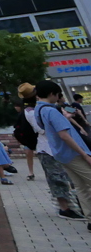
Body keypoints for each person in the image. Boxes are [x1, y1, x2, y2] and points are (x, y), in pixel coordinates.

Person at [19, 83, 83, 219]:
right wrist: (61, 120)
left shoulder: (41, 108)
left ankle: (74, 207)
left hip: (54, 147)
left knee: (67, 178)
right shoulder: (33, 111)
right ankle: (65, 209)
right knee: (57, 179)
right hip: (47, 148)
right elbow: (42, 129)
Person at [34, 80, 91, 230]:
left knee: (81, 186)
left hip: (60, 153)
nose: (59, 97)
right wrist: (84, 155)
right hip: (73, 153)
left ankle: (90, 218)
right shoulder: (51, 110)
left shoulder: (38, 110)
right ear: (52, 94)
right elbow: (64, 135)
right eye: (58, 94)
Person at [12, 99, 37, 180]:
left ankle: (31, 172)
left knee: (29, 154)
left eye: (17, 106)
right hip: (29, 137)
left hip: (29, 137)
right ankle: (31, 172)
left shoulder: (27, 113)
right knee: (29, 154)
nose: (15, 108)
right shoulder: (24, 113)